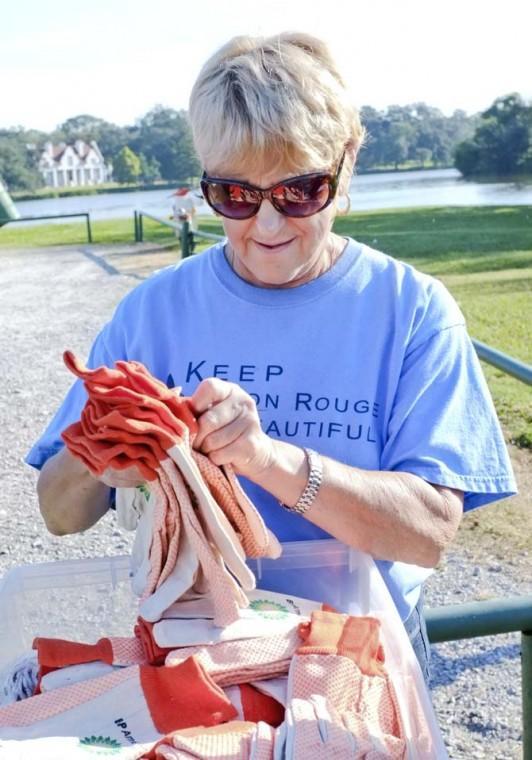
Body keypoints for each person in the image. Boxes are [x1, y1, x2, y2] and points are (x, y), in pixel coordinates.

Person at [27, 32, 516, 684]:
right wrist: (103, 451)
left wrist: (267, 459)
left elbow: (426, 532)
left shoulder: (412, 311)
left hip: (360, 675)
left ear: (346, 166)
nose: (266, 226)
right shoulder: (152, 312)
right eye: (233, 195)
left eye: (301, 191)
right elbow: (58, 515)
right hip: (195, 670)